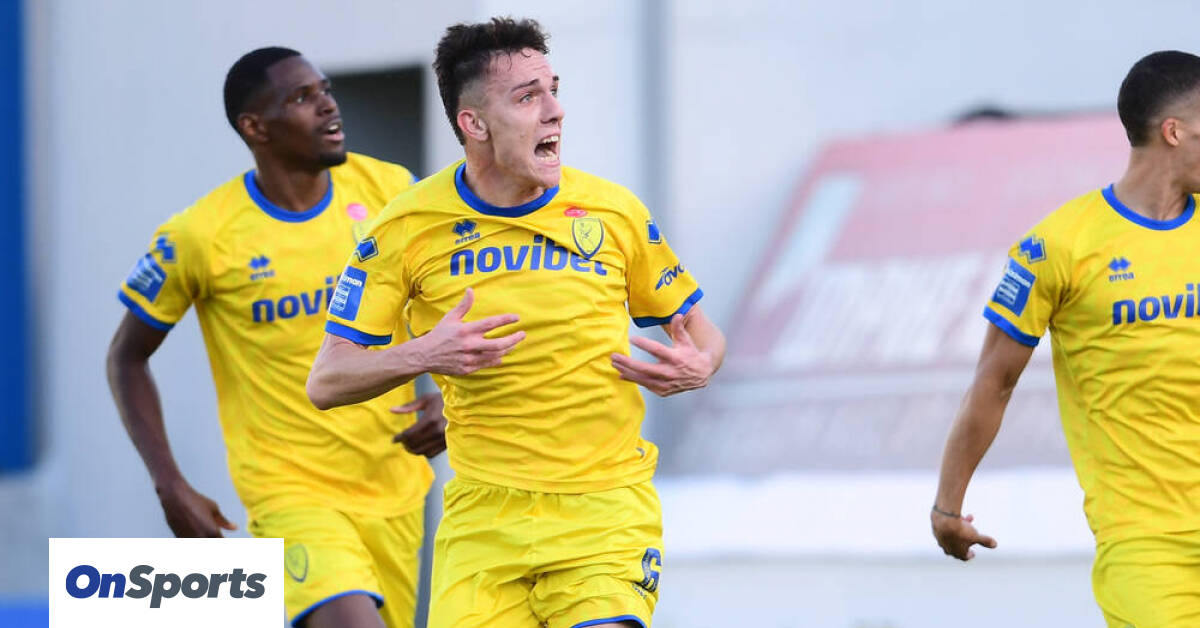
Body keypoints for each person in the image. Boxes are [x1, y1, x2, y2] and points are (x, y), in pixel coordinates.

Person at [306, 17, 726, 628]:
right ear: (473, 124)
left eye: (554, 90)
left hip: (602, 512)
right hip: (482, 523)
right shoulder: (405, 228)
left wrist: (699, 365)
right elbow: (327, 381)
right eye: (528, 97)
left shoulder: (613, 212)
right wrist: (426, 354)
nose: (555, 111)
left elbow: (703, 336)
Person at [106, 47, 444, 628]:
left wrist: (446, 395)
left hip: (394, 487)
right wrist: (169, 483)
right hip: (290, 494)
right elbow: (126, 358)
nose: (328, 105)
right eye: (302, 97)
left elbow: (443, 298)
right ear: (255, 127)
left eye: (326, 89)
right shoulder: (201, 235)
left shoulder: (392, 191)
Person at [932, 50, 1200, 627]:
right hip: (1147, 546)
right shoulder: (1057, 246)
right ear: (1174, 132)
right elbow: (994, 382)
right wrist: (947, 507)